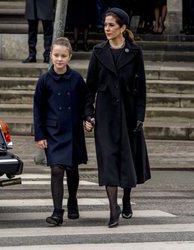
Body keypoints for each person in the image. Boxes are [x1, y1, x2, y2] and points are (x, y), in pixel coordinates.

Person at [84, 8, 151, 228]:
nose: (107, 29)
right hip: (105, 116)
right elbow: (90, 87)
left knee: (127, 160)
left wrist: (140, 116)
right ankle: (113, 209)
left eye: (112, 25)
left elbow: (141, 89)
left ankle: (126, 198)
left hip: (129, 115)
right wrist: (88, 113)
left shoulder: (135, 52)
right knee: (109, 161)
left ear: (123, 28)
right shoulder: (98, 51)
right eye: (105, 25)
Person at [33, 37, 88, 226]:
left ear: (69, 57)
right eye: (56, 55)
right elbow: (38, 109)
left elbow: (84, 103)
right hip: (53, 133)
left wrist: (88, 119)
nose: (59, 59)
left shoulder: (76, 79)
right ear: (51, 56)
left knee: (72, 169)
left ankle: (72, 200)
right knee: (56, 170)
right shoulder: (44, 80)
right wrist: (39, 135)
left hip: (73, 131)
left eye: (63, 56)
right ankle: (57, 212)